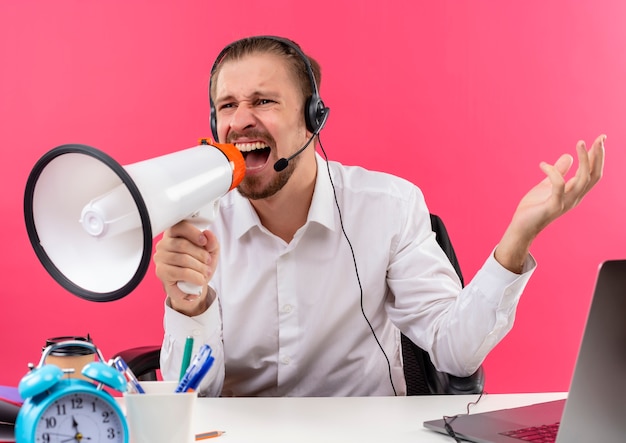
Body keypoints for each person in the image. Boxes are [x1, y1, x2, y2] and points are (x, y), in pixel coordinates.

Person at [153, 35, 605, 397]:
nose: (240, 120)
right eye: (227, 105)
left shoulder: (388, 206)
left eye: (264, 102)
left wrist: (517, 238)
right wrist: (189, 306)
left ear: (314, 117)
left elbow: (455, 352)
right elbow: (187, 397)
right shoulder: (200, 220)